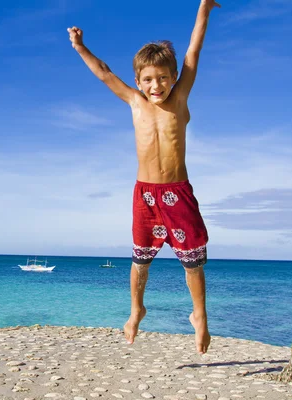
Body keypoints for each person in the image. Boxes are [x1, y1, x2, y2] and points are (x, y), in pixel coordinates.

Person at [68, 0, 221, 354]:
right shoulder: (135, 103)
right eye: (149, 79)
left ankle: (199, 315)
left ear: (173, 79)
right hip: (146, 195)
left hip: (177, 193)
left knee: (193, 260)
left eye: (164, 77)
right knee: (140, 260)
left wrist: (203, 9)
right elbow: (104, 72)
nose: (157, 85)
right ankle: (137, 309)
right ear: (138, 81)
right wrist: (79, 46)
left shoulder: (180, 98)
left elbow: (193, 53)